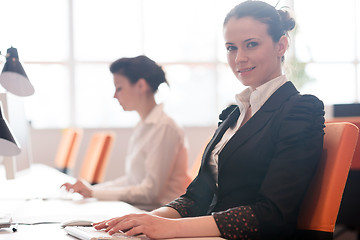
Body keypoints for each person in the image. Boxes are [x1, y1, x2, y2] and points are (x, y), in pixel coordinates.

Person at [93, 1, 325, 239]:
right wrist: (144, 221)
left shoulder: (300, 110)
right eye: (231, 47)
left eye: (251, 44)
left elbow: (272, 214)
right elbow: (196, 198)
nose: (239, 58)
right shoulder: (233, 115)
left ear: (281, 45)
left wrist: (170, 228)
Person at [61, 55, 191, 209]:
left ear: (141, 86)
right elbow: (132, 181)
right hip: (141, 209)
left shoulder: (165, 127)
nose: (115, 96)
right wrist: (92, 190)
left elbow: (150, 192)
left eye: (119, 88)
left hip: (160, 215)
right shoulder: (143, 125)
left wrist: (94, 193)